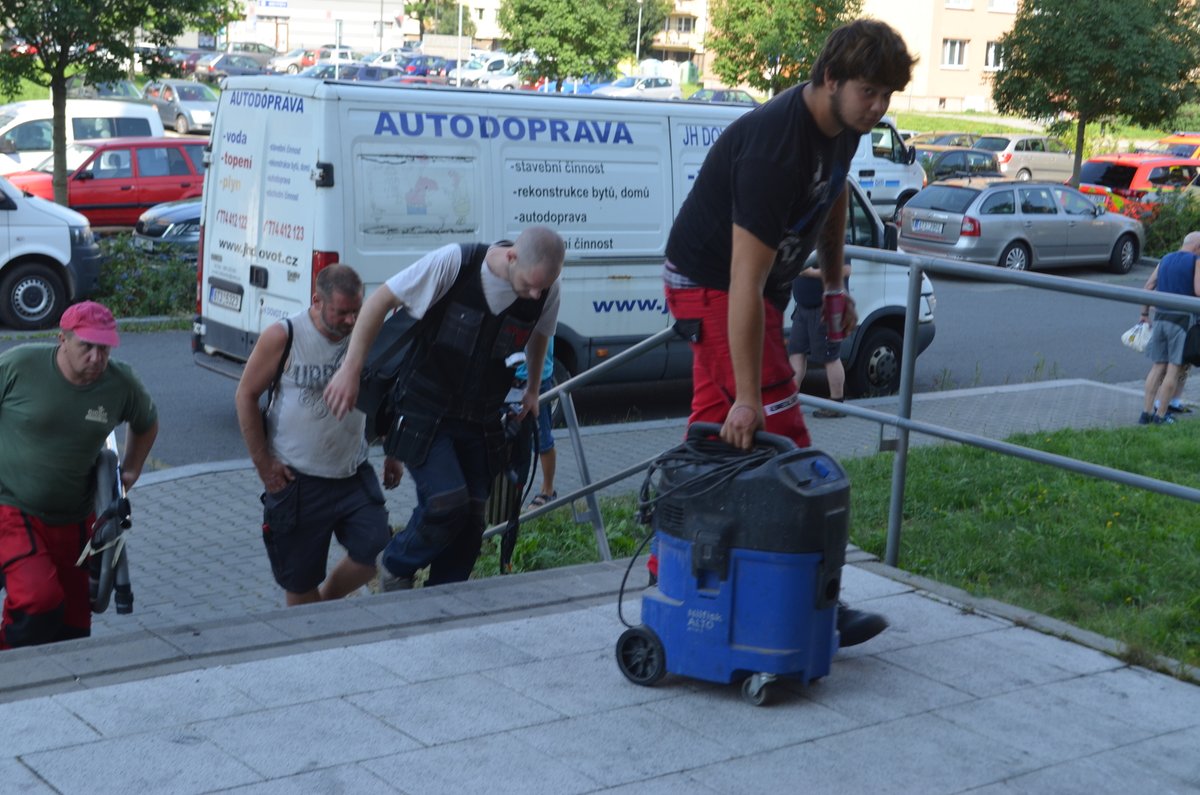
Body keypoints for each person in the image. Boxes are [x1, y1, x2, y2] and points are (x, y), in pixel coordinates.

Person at [661, 19, 915, 647]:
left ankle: (677, 573)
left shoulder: (844, 131)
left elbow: (832, 202)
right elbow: (740, 287)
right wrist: (754, 395)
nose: (878, 107)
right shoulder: (776, 149)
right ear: (830, 77)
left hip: (753, 290)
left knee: (711, 435)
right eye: (868, 92)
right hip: (711, 284)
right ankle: (817, 598)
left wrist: (833, 286)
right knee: (787, 438)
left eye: (887, 95)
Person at [323, 227, 564, 588]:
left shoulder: (546, 289)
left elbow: (541, 333)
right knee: (446, 502)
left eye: (541, 288)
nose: (534, 294)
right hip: (425, 408)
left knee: (470, 523)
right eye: (530, 285)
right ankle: (393, 563)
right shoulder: (455, 262)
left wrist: (532, 389)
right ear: (511, 256)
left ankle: (444, 603)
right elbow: (379, 302)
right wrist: (350, 369)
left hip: (481, 416)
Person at [235, 265, 400, 607]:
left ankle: (325, 602)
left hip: (352, 472)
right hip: (297, 480)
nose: (352, 321)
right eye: (342, 312)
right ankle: (307, 641)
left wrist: (394, 452)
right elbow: (245, 396)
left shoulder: (365, 333)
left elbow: (388, 395)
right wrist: (264, 464)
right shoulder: (285, 336)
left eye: (357, 311)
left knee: (376, 545)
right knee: (300, 582)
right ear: (316, 301)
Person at [0, 301, 158, 649]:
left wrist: (131, 470)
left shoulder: (120, 383)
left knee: (72, 628)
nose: (96, 357)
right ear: (63, 339)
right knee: (38, 602)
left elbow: (146, 421)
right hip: (12, 507)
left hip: (75, 518)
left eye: (104, 348)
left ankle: (51, 692)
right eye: (86, 346)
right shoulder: (19, 365)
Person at [1139, 232, 1200, 425]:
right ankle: (1161, 415)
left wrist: (1144, 314)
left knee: (1157, 367)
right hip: (1182, 321)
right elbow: (1198, 291)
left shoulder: (1165, 259)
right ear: (1198, 246)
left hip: (1161, 317)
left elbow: (1148, 286)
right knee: (1173, 370)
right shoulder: (1196, 261)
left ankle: (1146, 413)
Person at [789, 261, 852, 418]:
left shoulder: (832, 237)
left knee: (830, 356)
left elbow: (845, 270)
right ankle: (790, 400)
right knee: (796, 352)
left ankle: (836, 404)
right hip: (803, 306)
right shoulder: (803, 236)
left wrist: (811, 273)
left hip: (826, 307)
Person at [516, 338, 558, 507]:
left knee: (541, 438)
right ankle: (511, 493)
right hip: (510, 375)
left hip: (537, 378)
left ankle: (548, 491)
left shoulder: (542, 311)